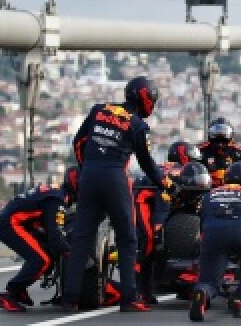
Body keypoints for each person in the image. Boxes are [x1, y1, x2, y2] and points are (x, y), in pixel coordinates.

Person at [61, 76, 166, 312]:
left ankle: (70, 298)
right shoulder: (138, 125)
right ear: (145, 98)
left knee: (81, 238)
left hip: (88, 175)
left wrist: (85, 166)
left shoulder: (99, 110)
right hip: (115, 178)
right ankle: (129, 298)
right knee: (127, 239)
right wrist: (163, 184)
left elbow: (78, 142)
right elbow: (147, 163)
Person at [189, 162, 241, 321]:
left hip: (213, 231)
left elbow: (202, 221)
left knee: (209, 279)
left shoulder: (209, 195)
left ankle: (203, 292)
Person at [0, 168, 76, 312]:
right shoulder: (56, 201)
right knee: (42, 259)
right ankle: (10, 294)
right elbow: (55, 236)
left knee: (48, 254)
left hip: (17, 222)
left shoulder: (56, 193)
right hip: (11, 223)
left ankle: (19, 290)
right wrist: (73, 254)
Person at [133, 171, 171, 304]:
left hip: (151, 201)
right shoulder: (167, 177)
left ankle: (146, 291)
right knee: (147, 240)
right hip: (141, 200)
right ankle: (136, 290)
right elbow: (162, 208)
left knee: (150, 249)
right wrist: (158, 228)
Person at [199, 118, 241, 186]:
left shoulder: (237, 151)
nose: (220, 142)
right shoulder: (202, 150)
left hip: (231, 188)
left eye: (224, 134)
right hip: (208, 188)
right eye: (216, 134)